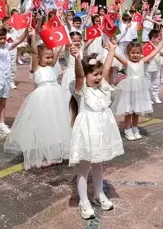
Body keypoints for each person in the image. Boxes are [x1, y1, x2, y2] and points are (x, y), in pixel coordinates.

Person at [69, 41, 124, 220]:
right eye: (94, 74)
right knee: (84, 167)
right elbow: (78, 75)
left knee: (99, 165)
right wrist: (77, 58)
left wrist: (112, 51)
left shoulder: (103, 88)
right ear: (85, 76)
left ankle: (98, 194)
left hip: (101, 131)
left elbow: (107, 69)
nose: (99, 77)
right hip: (87, 132)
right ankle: (83, 201)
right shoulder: (82, 89)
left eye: (99, 74)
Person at [4, 28, 71, 170]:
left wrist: (62, 33)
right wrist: (33, 36)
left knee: (56, 123)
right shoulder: (36, 68)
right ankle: (44, 154)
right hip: (42, 98)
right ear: (39, 58)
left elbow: (57, 50)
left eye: (51, 57)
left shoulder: (52, 66)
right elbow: (34, 52)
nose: (50, 60)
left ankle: (55, 153)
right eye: (47, 57)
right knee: (43, 125)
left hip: (55, 97)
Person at [112, 40, 163, 141]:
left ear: (141, 53)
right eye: (133, 53)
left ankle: (135, 129)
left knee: (136, 111)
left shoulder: (142, 62)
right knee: (129, 111)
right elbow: (117, 56)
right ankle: (127, 129)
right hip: (129, 90)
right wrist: (111, 49)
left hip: (139, 90)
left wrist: (160, 46)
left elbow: (153, 53)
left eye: (137, 53)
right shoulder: (127, 62)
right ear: (128, 53)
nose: (135, 55)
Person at [0, 24, 29, 138]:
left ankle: (2, 123)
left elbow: (19, 40)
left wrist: (26, 30)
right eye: (0, 38)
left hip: (6, 76)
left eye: (4, 38)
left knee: (3, 102)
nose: (2, 40)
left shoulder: (7, 46)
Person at [145, 29, 163, 104]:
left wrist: (161, 53)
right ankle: (148, 98)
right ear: (153, 38)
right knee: (148, 83)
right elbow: (144, 56)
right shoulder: (148, 46)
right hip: (149, 68)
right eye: (158, 39)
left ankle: (155, 96)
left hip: (157, 67)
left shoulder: (157, 46)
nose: (159, 40)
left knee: (156, 82)